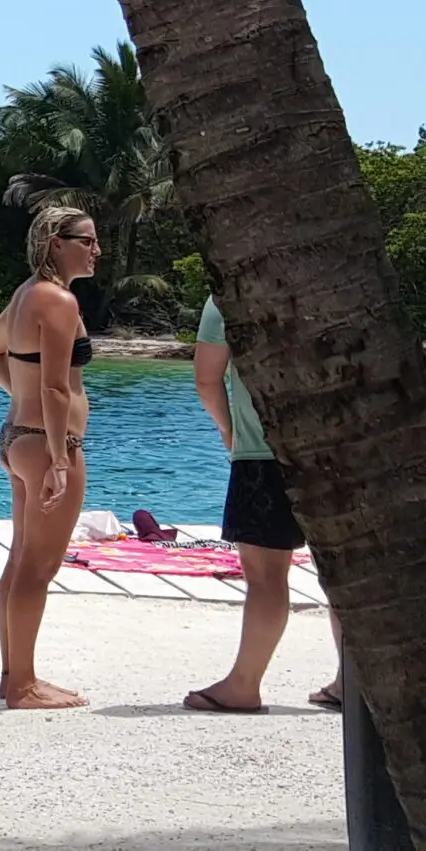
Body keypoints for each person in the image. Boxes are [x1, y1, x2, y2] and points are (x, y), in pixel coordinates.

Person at [0, 208, 99, 710]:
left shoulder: (26, 293)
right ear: (57, 242)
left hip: (16, 436)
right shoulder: (58, 300)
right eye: (88, 241)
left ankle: (15, 676)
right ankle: (23, 685)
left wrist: (21, 397)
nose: (97, 251)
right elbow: (55, 385)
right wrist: (58, 458)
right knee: (38, 566)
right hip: (46, 444)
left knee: (21, 560)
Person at [183, 292, 320, 714]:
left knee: (265, 577)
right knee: (343, 570)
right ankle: (348, 681)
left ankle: (244, 684)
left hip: (263, 450)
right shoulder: (334, 279)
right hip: (342, 446)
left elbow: (207, 379)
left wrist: (229, 432)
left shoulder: (231, 292)